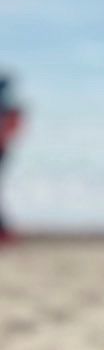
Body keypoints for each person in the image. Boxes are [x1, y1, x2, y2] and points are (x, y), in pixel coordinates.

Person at [0, 76, 24, 242]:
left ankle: (5, 234)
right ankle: (5, 233)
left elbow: (14, 128)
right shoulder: (11, 108)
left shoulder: (10, 108)